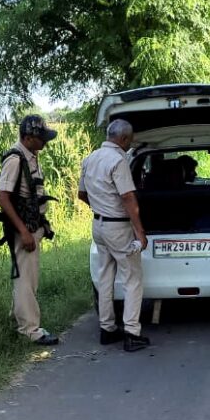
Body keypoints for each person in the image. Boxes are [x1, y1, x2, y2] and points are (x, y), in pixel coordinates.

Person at [78, 119, 151, 353]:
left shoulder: (90, 159)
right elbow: (128, 197)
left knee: (105, 276)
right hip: (118, 228)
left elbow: (81, 194)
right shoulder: (118, 161)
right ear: (124, 139)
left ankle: (107, 329)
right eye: (129, 140)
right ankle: (131, 332)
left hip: (98, 226)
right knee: (132, 279)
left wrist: (100, 206)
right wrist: (140, 232)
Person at [0, 114, 59, 347]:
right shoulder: (15, 159)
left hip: (32, 226)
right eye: (41, 138)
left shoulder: (30, 155)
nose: (45, 142)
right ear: (28, 137)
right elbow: (3, 198)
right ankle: (31, 330)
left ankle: (19, 320)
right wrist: (23, 231)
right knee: (26, 280)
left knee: (26, 277)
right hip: (25, 229)